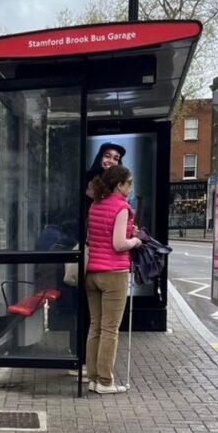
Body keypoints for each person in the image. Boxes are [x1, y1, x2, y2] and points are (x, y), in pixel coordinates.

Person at [85, 166, 142, 394]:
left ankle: (92, 378)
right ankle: (105, 382)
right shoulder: (121, 207)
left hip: (92, 273)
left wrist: (128, 230)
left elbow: (95, 236)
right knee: (110, 329)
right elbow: (119, 244)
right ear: (119, 185)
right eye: (129, 182)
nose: (130, 186)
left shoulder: (96, 204)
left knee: (95, 327)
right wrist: (135, 241)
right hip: (114, 274)